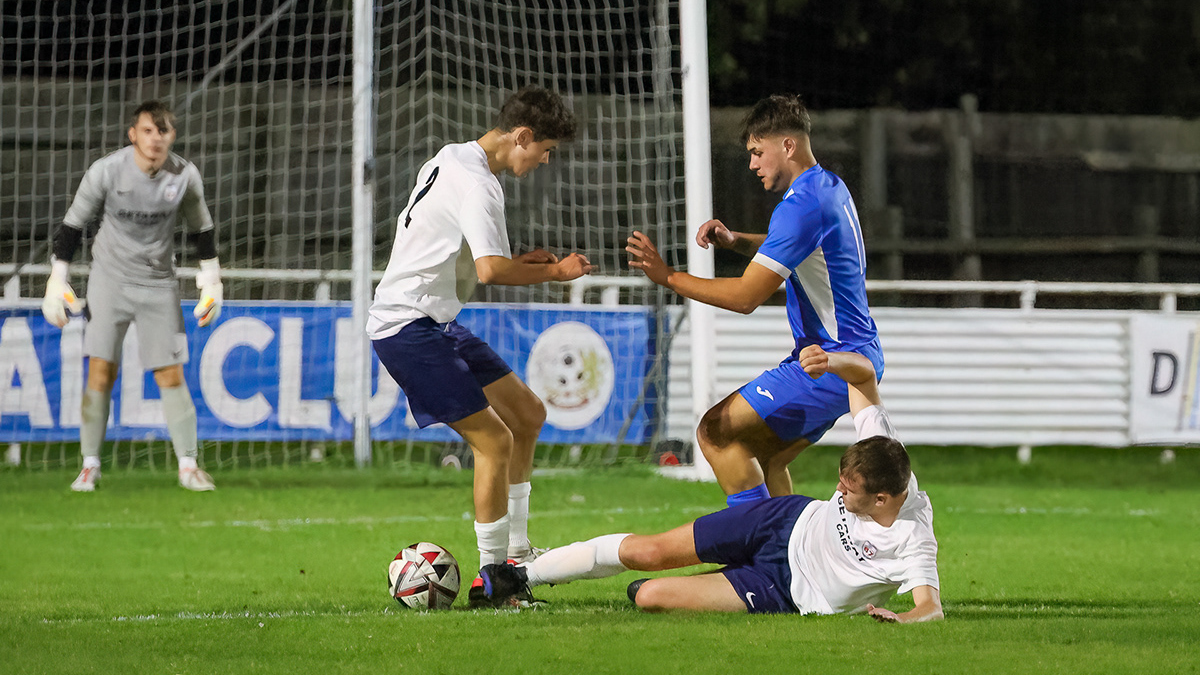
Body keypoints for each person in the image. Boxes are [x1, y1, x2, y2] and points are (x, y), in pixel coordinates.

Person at [480, 344, 942, 622]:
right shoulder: (883, 451)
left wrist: (900, 619)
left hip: (784, 590)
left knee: (648, 595)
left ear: (883, 498)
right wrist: (831, 360)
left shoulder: (913, 537)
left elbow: (930, 609)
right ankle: (517, 576)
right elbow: (863, 371)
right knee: (650, 552)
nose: (839, 491)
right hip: (780, 521)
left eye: (849, 490)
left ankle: (724, 580)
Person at [367, 86, 594, 608]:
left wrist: (531, 261)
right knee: (493, 442)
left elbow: (464, 254)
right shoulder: (480, 185)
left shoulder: (452, 157)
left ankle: (516, 555)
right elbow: (491, 271)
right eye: (546, 150)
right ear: (523, 136)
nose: (544, 161)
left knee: (527, 414)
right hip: (407, 328)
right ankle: (494, 581)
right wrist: (556, 272)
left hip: (436, 322)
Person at [626, 93, 883, 506]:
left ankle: (762, 551)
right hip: (851, 356)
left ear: (788, 146)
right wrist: (736, 241)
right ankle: (785, 559)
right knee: (764, 456)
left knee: (714, 430)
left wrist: (669, 276)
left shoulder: (801, 206)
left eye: (757, 152)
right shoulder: (829, 187)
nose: (752, 164)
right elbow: (795, 249)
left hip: (830, 361)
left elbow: (746, 297)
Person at [42, 100, 224, 493]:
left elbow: (202, 230)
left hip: (159, 283)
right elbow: (72, 226)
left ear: (172, 136)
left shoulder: (184, 176)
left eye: (163, 131)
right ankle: (90, 465)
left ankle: (188, 466)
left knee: (171, 374)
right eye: (147, 131)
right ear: (133, 135)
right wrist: (57, 280)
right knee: (101, 371)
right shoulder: (106, 171)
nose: (155, 139)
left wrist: (212, 282)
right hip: (108, 281)